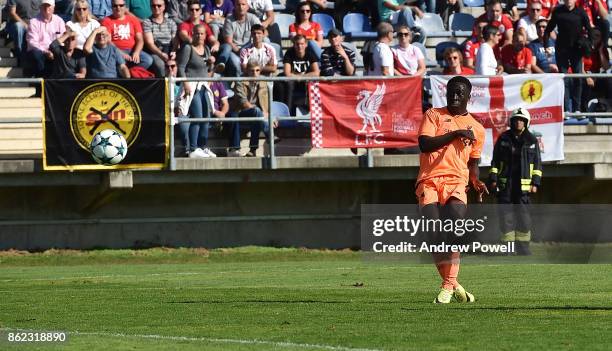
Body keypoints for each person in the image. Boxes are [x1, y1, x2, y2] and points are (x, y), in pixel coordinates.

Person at [417, 75, 487, 304]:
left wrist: (476, 180)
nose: (454, 96)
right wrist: (455, 133)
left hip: (457, 181)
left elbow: (473, 163)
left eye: (459, 93)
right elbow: (425, 144)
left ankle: (447, 286)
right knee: (435, 235)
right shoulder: (433, 115)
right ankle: (454, 284)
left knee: (456, 225)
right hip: (429, 180)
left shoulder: (477, 128)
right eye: (451, 92)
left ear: (468, 96)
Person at [488, 107, 541, 256]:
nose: (519, 122)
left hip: (523, 187)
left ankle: (523, 248)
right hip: (506, 185)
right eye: (516, 120)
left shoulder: (531, 141)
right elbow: (495, 162)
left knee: (523, 218)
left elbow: (537, 164)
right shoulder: (503, 139)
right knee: (506, 217)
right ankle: (508, 249)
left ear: (526, 123)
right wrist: (493, 179)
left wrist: (535, 183)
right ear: (512, 122)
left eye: (522, 120)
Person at [544, 0, 592, 113]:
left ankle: (577, 109)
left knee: (578, 79)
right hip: (562, 50)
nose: (568, 1)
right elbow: (548, 30)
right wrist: (546, 46)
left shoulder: (581, 12)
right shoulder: (558, 12)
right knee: (564, 79)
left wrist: (588, 44)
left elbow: (590, 30)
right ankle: (566, 110)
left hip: (577, 50)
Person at [177, 24, 217, 158]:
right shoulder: (188, 48)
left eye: (202, 34)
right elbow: (181, 68)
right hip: (192, 87)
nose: (199, 36)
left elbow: (208, 71)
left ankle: (202, 146)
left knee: (206, 117)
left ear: (205, 36)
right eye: (196, 33)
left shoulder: (206, 48)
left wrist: (212, 63)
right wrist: (186, 83)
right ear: (192, 34)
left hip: (204, 86)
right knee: (197, 116)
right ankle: (193, 149)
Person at [231, 60, 276, 157]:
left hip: (257, 113)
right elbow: (243, 102)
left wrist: (270, 116)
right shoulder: (240, 81)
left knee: (257, 116)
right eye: (252, 71)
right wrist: (263, 117)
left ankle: (252, 150)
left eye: (257, 70)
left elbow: (267, 102)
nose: (255, 73)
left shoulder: (264, 82)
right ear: (247, 71)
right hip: (241, 112)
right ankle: (269, 134)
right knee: (257, 112)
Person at [100, 0, 154, 70]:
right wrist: (121, 53)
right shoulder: (106, 21)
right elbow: (108, 41)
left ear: (125, 7)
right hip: (115, 50)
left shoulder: (133, 19)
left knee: (148, 60)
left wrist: (136, 52)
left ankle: (131, 73)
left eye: (121, 5)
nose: (118, 8)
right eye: (115, 6)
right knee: (119, 61)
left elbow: (140, 39)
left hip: (132, 49)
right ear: (111, 7)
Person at [275, 34, 319, 114]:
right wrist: (298, 77)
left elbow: (316, 72)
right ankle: (287, 113)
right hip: (292, 81)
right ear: (294, 45)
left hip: (304, 80)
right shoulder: (289, 53)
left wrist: (301, 77)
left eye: (302, 44)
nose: (299, 46)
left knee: (315, 82)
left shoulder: (310, 52)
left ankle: (315, 113)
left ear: (306, 44)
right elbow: (287, 73)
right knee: (288, 83)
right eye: (297, 44)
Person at [217, 0, 261, 76]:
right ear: (234, 6)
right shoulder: (229, 19)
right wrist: (240, 53)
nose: (241, 7)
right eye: (238, 5)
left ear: (247, 7)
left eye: (243, 4)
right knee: (237, 63)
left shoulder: (252, 18)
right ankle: (239, 85)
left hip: (248, 49)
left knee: (266, 40)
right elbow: (229, 41)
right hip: (234, 50)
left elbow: (263, 31)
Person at [25, 0, 66, 81]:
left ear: (53, 7)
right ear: (40, 7)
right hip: (40, 51)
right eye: (44, 5)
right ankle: (41, 82)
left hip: (55, 50)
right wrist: (45, 51)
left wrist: (54, 51)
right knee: (36, 54)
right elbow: (32, 42)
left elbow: (63, 39)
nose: (46, 8)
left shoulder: (59, 21)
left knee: (63, 53)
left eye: (49, 5)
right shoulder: (33, 22)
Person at [143, 0, 178, 77]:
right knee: (161, 65)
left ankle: (177, 87)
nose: (156, 7)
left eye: (159, 5)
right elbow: (150, 43)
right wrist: (161, 54)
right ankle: (164, 87)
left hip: (170, 49)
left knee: (178, 64)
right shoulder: (147, 22)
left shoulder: (171, 22)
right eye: (153, 5)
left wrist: (174, 51)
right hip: (156, 51)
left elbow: (175, 40)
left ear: (164, 7)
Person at [581, 28, 610, 111]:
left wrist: (600, 51)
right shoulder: (584, 46)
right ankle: (584, 110)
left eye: (598, 36)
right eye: (594, 35)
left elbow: (606, 67)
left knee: (607, 80)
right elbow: (580, 67)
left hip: (596, 75)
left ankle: (603, 105)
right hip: (584, 74)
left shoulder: (602, 49)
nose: (596, 38)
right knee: (584, 83)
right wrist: (587, 77)